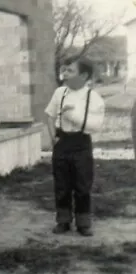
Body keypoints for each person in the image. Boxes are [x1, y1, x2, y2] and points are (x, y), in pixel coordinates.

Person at [44, 56, 105, 237]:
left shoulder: (93, 98)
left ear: (84, 75)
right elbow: (50, 115)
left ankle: (83, 222)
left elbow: (95, 126)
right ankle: (63, 220)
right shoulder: (60, 93)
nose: (65, 74)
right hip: (62, 142)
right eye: (65, 70)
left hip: (81, 143)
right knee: (61, 184)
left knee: (82, 184)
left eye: (70, 71)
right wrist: (53, 136)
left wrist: (74, 117)